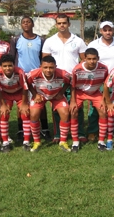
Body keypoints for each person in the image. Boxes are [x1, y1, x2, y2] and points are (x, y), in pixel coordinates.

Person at [42, 14, 87, 143]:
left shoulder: (78, 41)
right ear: (56, 25)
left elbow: (83, 61)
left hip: (74, 80)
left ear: (69, 24)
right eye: (59, 23)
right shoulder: (50, 41)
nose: (62, 25)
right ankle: (58, 134)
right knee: (57, 107)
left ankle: (79, 133)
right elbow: (45, 61)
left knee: (76, 107)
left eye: (64, 23)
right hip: (56, 80)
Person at [9, 16, 50, 140]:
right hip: (21, 76)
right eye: (23, 22)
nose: (26, 24)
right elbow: (12, 57)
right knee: (22, 102)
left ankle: (45, 129)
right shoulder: (15, 39)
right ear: (21, 25)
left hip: (36, 76)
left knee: (39, 101)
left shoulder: (41, 40)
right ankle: (21, 129)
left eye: (28, 22)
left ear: (33, 25)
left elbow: (43, 58)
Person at [87, 20, 114, 142]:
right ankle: (93, 131)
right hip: (98, 80)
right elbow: (88, 62)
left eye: (110, 30)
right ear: (100, 31)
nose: (108, 32)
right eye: (105, 30)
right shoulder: (93, 44)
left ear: (113, 30)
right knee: (95, 106)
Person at [26, 55, 72, 152]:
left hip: (56, 96)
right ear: (40, 66)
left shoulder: (63, 73)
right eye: (45, 67)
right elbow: (26, 82)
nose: (48, 70)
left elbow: (70, 81)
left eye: (51, 67)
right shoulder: (33, 73)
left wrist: (61, 92)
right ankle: (37, 142)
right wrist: (35, 94)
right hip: (40, 96)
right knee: (34, 114)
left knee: (65, 113)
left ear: (56, 66)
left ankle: (63, 141)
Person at [70, 48, 108, 152]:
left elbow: (106, 84)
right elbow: (72, 86)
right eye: (89, 59)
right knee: (73, 112)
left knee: (103, 111)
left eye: (94, 59)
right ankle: (75, 142)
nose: (92, 61)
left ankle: (101, 141)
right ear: (84, 59)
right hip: (80, 92)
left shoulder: (103, 68)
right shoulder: (77, 69)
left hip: (95, 92)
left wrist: (104, 99)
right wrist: (73, 101)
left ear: (98, 58)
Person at [0, 54, 30, 152]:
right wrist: (3, 105)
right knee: (4, 114)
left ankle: (26, 141)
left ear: (14, 65)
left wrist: (24, 103)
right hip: (5, 94)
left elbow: (25, 89)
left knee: (25, 113)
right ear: (1, 67)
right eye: (5, 66)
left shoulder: (20, 72)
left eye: (10, 65)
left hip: (19, 93)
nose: (8, 68)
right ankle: (5, 142)